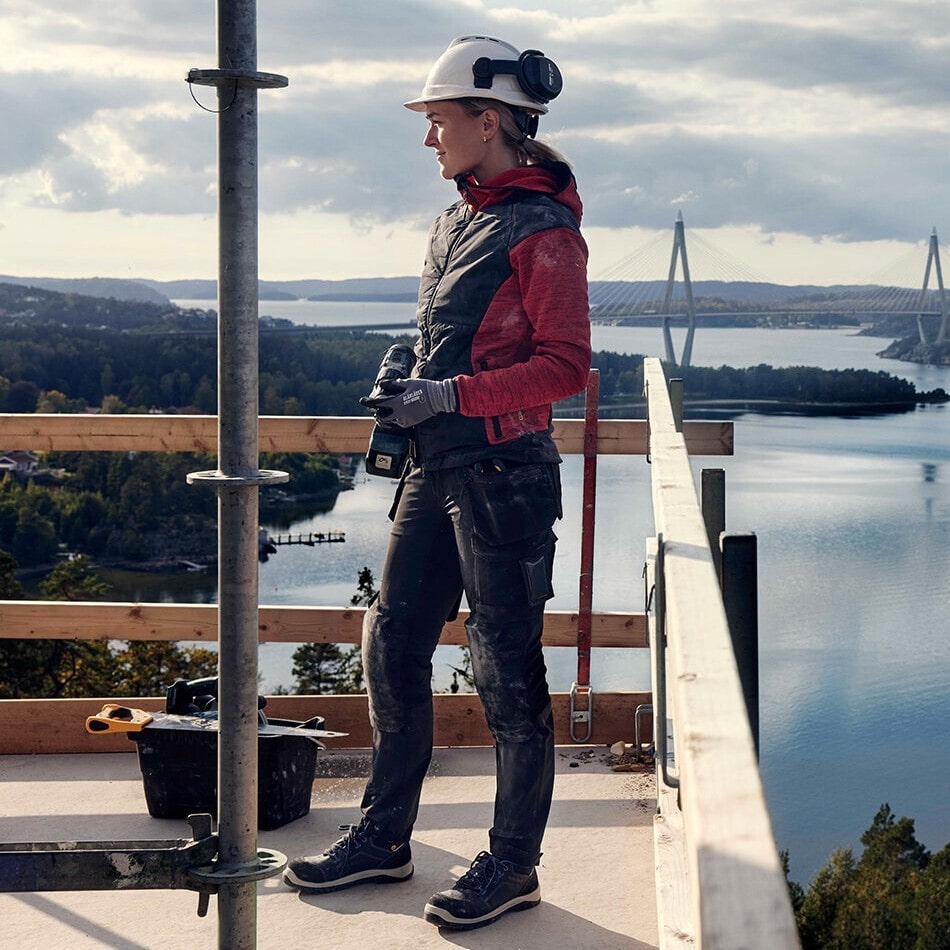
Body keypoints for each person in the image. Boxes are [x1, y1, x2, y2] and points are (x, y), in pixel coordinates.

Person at [283, 35, 591, 931]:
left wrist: (447, 391)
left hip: (503, 477)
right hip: (436, 464)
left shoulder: (545, 232)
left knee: (506, 674)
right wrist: (407, 370)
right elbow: (454, 336)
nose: (430, 141)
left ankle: (513, 866)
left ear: (487, 121)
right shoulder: (461, 217)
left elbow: (565, 364)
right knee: (391, 641)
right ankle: (385, 840)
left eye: (439, 121)